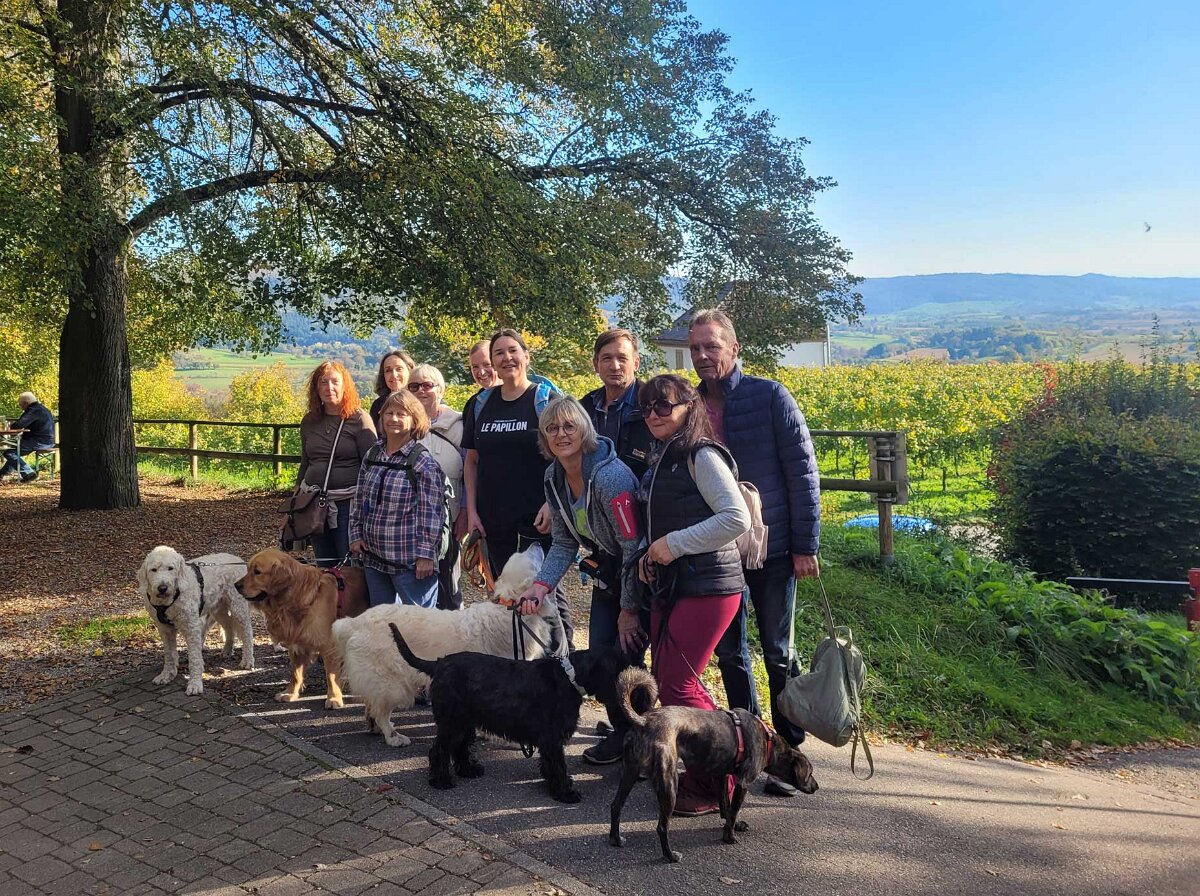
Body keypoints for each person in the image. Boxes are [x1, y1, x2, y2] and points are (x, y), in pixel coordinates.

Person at [689, 309, 821, 762]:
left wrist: (805, 545)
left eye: (711, 346)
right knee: (729, 651)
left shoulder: (770, 397)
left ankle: (789, 749)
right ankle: (750, 744)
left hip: (775, 547)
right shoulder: (689, 405)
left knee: (778, 651)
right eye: (695, 348)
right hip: (718, 550)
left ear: (734, 347)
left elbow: (803, 475)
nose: (702, 356)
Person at [637, 373, 750, 816]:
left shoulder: (700, 454)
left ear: (689, 407)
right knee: (669, 680)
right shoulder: (663, 454)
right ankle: (712, 772)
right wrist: (651, 555)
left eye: (663, 405)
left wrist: (672, 544)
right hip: (676, 582)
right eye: (646, 407)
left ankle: (718, 779)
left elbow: (735, 517)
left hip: (708, 584)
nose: (653, 414)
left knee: (680, 684)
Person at [516, 396, 646, 764]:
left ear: (585, 429)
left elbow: (633, 546)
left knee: (628, 660)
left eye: (569, 426)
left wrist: (629, 610)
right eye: (552, 428)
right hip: (607, 574)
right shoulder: (553, 476)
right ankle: (624, 734)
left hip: (638, 575)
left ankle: (640, 740)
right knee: (603, 659)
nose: (561, 434)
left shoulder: (610, 477)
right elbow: (562, 542)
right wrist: (541, 585)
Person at [461, 328, 573, 648]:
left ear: (526, 355)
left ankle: (565, 662)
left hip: (538, 521)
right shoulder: (480, 404)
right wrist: (472, 512)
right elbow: (471, 461)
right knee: (508, 595)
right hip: (494, 522)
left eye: (513, 351)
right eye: (499, 353)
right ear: (492, 361)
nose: (507, 358)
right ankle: (525, 662)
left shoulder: (546, 401)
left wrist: (552, 503)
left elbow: (567, 456)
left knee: (546, 595)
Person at [350, 390, 445, 607]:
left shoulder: (422, 462)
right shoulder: (373, 455)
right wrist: (355, 534)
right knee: (381, 623)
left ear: (414, 420)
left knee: (419, 624)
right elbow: (360, 498)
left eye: (402, 414)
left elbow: (431, 514)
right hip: (374, 559)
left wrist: (426, 556)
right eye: (389, 413)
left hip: (410, 564)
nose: (393, 419)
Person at [296, 361, 378, 568]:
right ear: (316, 388)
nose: (329, 388)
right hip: (314, 504)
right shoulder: (309, 421)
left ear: (345, 386)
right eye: (323, 382)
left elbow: (372, 468)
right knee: (324, 565)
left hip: (348, 506)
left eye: (335, 382)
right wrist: (295, 503)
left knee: (348, 566)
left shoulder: (359, 419)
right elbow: (305, 462)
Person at [409, 363, 465, 610]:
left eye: (427, 385)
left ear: (440, 389)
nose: (420, 390)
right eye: (414, 386)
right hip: (411, 521)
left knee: (448, 581)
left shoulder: (459, 425)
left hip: (450, 517)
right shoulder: (403, 424)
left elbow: (471, 470)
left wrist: (466, 511)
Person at [579, 329, 653, 480]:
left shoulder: (653, 406)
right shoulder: (584, 408)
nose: (615, 366)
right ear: (596, 364)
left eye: (622, 358)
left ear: (636, 363)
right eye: (607, 358)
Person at [1, 392, 56, 483]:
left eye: (21, 405)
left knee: (9, 451)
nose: (21, 407)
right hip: (48, 441)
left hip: (39, 442)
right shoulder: (41, 408)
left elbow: (18, 425)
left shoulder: (33, 411)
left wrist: (10, 426)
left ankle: (28, 473)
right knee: (14, 451)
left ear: (26, 403)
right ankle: (2, 473)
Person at [368, 351, 413, 431]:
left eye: (399, 369)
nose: (394, 375)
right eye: (388, 370)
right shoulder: (377, 405)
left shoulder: (420, 402)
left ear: (410, 371)